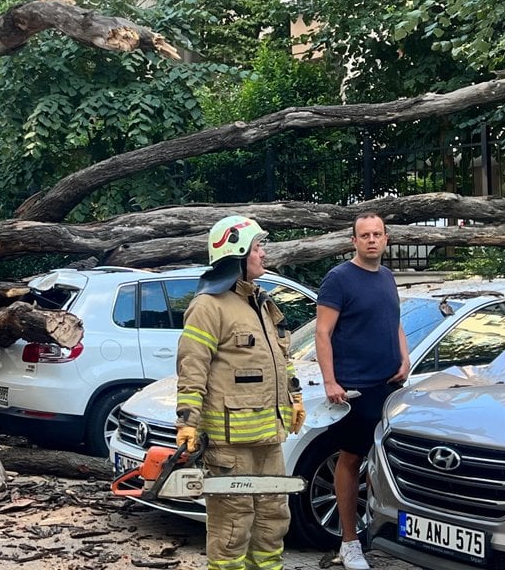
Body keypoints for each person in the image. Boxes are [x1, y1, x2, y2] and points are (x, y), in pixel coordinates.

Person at [175, 215, 306, 570]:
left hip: (269, 439)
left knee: (273, 520)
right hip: (229, 444)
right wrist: (188, 422)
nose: (264, 254)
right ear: (237, 255)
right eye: (258, 247)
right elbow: (192, 368)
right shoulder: (208, 307)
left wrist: (295, 399)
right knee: (233, 526)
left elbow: (281, 357)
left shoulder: (261, 303)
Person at [315, 212, 411, 570]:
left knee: (385, 463)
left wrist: (404, 356)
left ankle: (380, 532)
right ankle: (349, 542)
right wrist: (330, 381)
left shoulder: (386, 276)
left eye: (377, 234)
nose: (371, 240)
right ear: (353, 241)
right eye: (364, 235)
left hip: (390, 386)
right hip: (354, 388)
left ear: (386, 239)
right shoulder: (338, 279)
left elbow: (394, 321)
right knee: (351, 459)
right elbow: (322, 333)